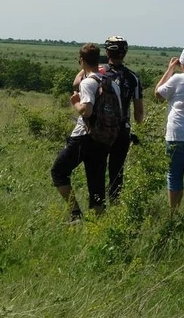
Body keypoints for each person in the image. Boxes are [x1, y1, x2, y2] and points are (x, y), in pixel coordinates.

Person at [52, 43, 121, 222]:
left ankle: (75, 214)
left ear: (81, 61)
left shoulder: (88, 83)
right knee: (96, 184)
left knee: (58, 171)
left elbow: (87, 111)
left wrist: (75, 102)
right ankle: (99, 224)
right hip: (104, 139)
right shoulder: (112, 83)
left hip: (85, 137)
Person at [97, 35, 145, 203]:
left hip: (100, 129)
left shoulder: (98, 73)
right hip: (122, 129)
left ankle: (98, 203)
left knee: (98, 167)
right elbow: (139, 112)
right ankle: (115, 203)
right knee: (117, 170)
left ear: (107, 52)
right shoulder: (133, 77)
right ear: (125, 53)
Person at [154, 46, 184, 211]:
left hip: (176, 133)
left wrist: (169, 69)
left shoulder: (178, 78)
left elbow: (158, 94)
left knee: (174, 175)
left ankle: (172, 213)